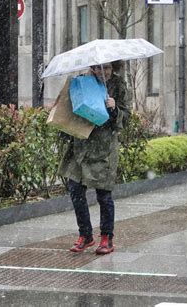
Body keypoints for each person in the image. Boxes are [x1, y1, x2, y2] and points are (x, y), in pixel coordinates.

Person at [58, 62, 131, 255]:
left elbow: (126, 116)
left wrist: (115, 109)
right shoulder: (83, 82)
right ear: (92, 68)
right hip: (81, 145)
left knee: (103, 194)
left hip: (104, 148)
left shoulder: (119, 85)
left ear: (112, 68)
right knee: (75, 189)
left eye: (106, 68)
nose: (102, 72)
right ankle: (86, 235)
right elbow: (69, 107)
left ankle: (106, 237)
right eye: (98, 68)